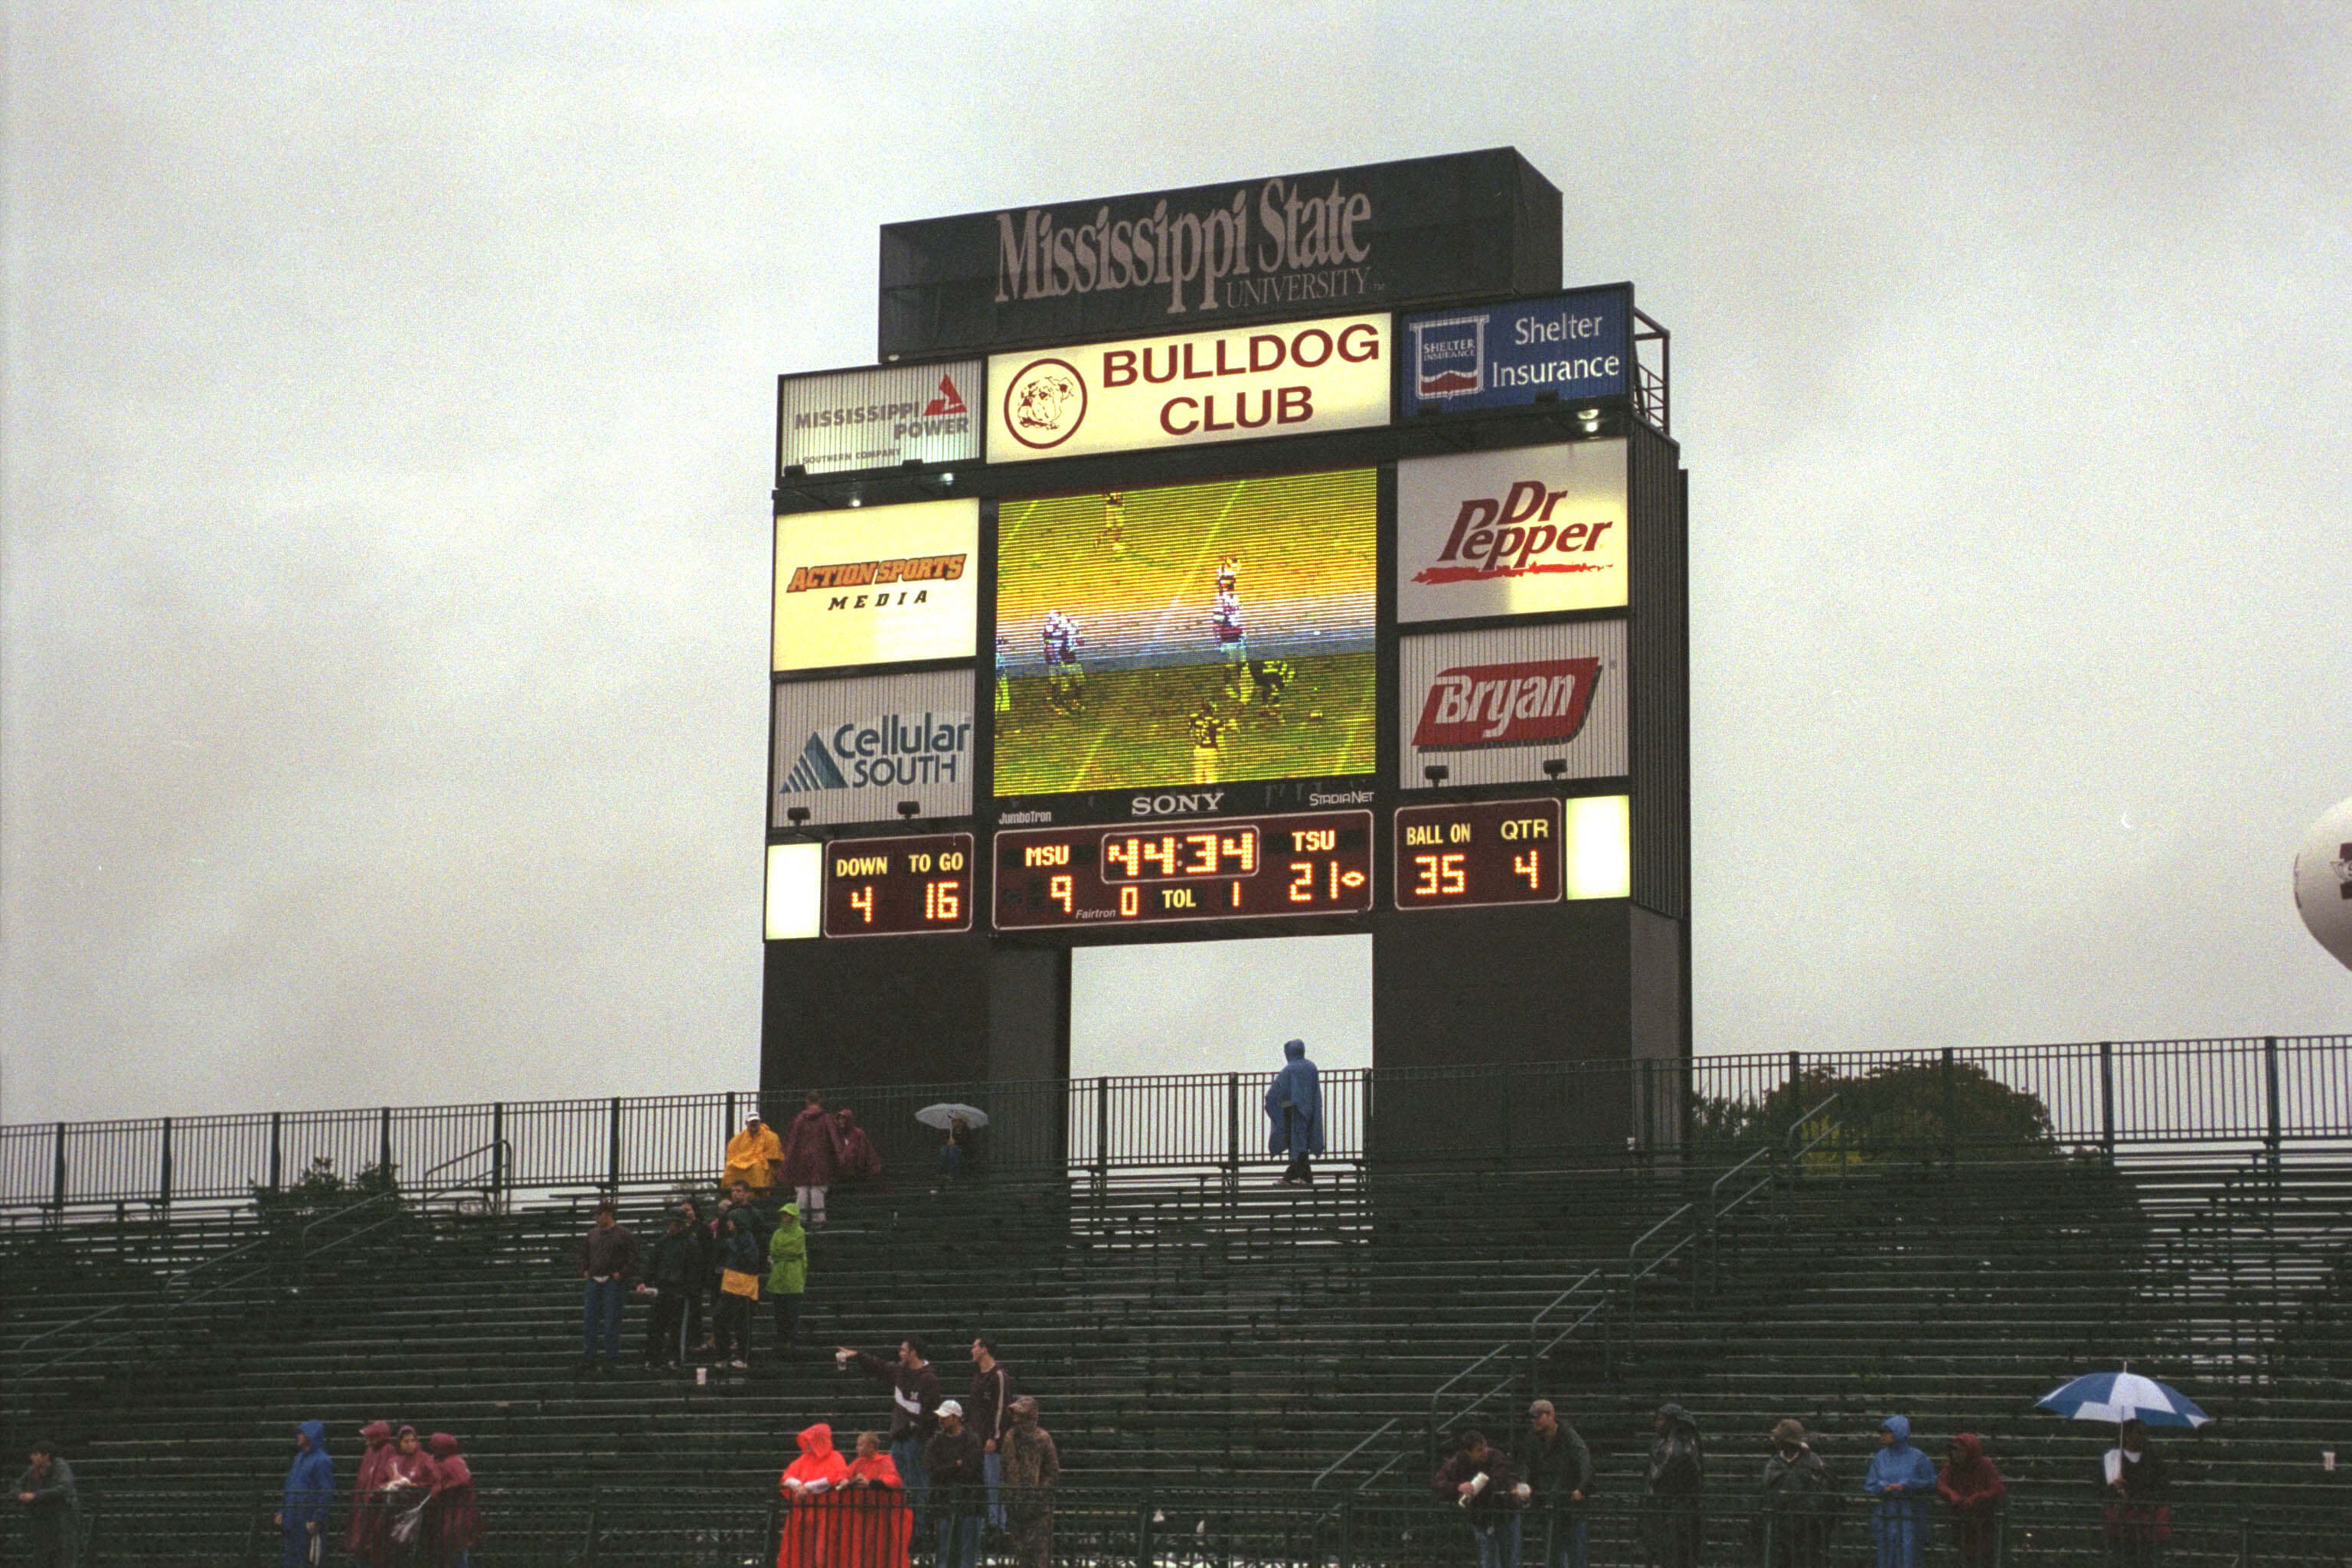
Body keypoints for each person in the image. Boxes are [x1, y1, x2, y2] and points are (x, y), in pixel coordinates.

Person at [841, 1338, 945, 1531]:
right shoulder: (900, 1372)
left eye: (904, 1350)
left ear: (913, 1352)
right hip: (899, 1439)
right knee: (897, 1483)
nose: (900, 1354)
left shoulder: (929, 1380)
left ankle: (917, 1528)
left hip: (916, 1441)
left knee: (916, 1484)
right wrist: (858, 1355)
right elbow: (879, 1366)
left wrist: (920, 1432)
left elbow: (933, 1413)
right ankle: (901, 1525)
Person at [1514, 1400, 1593, 1568]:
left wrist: (1582, 1488)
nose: (1534, 1421)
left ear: (1551, 1415)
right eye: (1532, 1418)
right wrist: (1524, 1484)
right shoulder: (1533, 1438)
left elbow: (1583, 1460)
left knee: (1575, 1556)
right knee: (1552, 1556)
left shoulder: (1569, 1436)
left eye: (1537, 1417)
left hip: (1569, 1506)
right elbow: (1526, 1464)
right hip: (1548, 1505)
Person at [1432, 1429, 1525, 1568]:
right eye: (1479, 1450)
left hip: (1505, 1513)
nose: (1484, 1452)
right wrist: (1458, 1486)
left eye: (1485, 1447)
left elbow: (1498, 1481)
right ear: (1468, 1452)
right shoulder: (1457, 1463)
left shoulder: (1497, 1457)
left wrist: (1475, 1488)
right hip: (1482, 1517)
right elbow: (1438, 1482)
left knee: (1509, 1560)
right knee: (1490, 1560)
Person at [1863, 1416, 1938, 1568]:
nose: (1883, 1435)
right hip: (1886, 1513)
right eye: (1881, 1432)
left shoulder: (1918, 1457)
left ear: (1899, 1432)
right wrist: (1884, 1487)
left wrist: (1909, 1485)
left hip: (1910, 1512)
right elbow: (1870, 1483)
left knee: (1908, 1554)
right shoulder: (1880, 1458)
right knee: (1885, 1554)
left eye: (1887, 1432)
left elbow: (1931, 1482)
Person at [1759, 1419, 1834, 1568]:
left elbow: (1824, 1498)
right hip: (1779, 1531)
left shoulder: (1814, 1463)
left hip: (1807, 1533)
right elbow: (1766, 1493)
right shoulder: (1774, 1463)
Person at [576, 1200, 638, 1374]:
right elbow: (582, 1255)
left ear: (608, 1214)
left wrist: (622, 1274)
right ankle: (590, 1357)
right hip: (594, 1280)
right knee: (590, 1321)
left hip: (612, 1281)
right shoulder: (591, 1234)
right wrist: (584, 1270)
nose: (596, 1217)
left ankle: (610, 1358)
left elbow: (633, 1259)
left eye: (598, 1214)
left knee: (611, 1322)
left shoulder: (624, 1234)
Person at [2099, 1419, 2171, 1568]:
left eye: (2145, 1434)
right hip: (2122, 1522)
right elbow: (2102, 1485)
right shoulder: (2113, 1457)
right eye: (2139, 1433)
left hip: (2147, 1521)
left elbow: (2161, 1485)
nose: (2143, 1437)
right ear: (2127, 1434)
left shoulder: (2153, 1459)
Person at [778, 1423, 851, 1568]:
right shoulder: (804, 1459)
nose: (807, 1444)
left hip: (826, 1514)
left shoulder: (835, 1458)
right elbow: (787, 1477)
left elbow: (834, 1478)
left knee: (823, 1553)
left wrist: (808, 1487)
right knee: (801, 1552)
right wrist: (798, 1486)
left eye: (810, 1440)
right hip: (803, 1513)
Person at [924, 1399, 987, 1568]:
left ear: (955, 1418)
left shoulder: (972, 1439)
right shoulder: (936, 1441)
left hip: (968, 1501)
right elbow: (931, 1470)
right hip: (944, 1500)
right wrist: (955, 1465)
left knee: (968, 1549)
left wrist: (946, 1468)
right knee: (943, 1546)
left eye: (944, 1417)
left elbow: (970, 1468)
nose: (940, 1420)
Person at [998, 1397, 1059, 1568]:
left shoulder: (1043, 1438)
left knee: (1040, 1554)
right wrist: (1008, 1494)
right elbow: (1004, 1468)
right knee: (1021, 1553)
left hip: (1039, 1508)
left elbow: (1052, 1471)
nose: (1017, 1419)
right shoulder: (1010, 1437)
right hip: (1016, 1504)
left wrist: (1039, 1494)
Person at [1642, 1403, 1704, 1568]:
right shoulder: (1660, 1444)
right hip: (1662, 1510)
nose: (1657, 1423)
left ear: (1672, 1422)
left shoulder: (1684, 1446)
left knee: (1677, 1556)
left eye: (1661, 1419)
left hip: (1677, 1511)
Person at [966, 1336, 1018, 1532]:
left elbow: (1002, 1408)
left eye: (974, 1346)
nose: (972, 1351)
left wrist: (995, 1437)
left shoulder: (999, 1376)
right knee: (981, 1484)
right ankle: (984, 1525)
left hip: (991, 1443)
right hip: (976, 1440)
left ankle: (997, 1526)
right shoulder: (978, 1377)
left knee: (994, 1484)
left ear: (984, 1349)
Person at [844, 1431, 912, 1568]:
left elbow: (893, 1480)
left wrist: (870, 1483)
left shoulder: (885, 1461)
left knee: (882, 1550)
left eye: (861, 1445)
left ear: (872, 1446)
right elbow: (844, 1474)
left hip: (882, 1516)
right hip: (865, 1516)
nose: (857, 1448)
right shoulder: (858, 1462)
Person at [714, 1191, 766, 1369]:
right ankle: (725, 1354)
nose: (727, 1224)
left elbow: (750, 1262)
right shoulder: (733, 1239)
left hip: (742, 1287)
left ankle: (743, 1357)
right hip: (730, 1284)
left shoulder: (746, 1240)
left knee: (742, 1323)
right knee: (720, 1318)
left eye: (730, 1221)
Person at [1938, 1433, 2004, 1568]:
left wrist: (1977, 1498)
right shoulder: (1951, 1466)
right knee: (1963, 1557)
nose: (1954, 1453)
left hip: (1984, 1521)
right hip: (1960, 1520)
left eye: (1959, 1450)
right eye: (1953, 1449)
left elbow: (1997, 1488)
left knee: (1983, 1558)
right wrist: (1952, 1495)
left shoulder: (1985, 1465)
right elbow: (1941, 1484)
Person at [1264, 1037, 1325, 1185]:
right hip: (1310, 1110)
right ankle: (1304, 1176)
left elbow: (1273, 1094)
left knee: (1297, 1144)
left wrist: (1282, 1105)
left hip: (1294, 1112)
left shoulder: (1290, 1069)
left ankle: (1293, 1176)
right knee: (1302, 1143)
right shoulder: (1312, 1067)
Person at [12, 1441, 80, 1568]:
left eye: (35, 1454)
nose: (32, 1457)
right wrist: (20, 1495)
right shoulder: (32, 1470)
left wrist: (35, 1496)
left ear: (46, 1455)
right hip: (43, 1521)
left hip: (62, 1519)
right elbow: (17, 1485)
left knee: (62, 1555)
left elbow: (64, 1488)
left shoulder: (61, 1467)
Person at [782, 1091, 844, 1227]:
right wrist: (840, 1159)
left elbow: (791, 1143)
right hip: (821, 1162)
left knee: (802, 1192)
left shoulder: (799, 1119)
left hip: (801, 1162)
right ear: (820, 1101)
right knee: (818, 1191)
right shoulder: (827, 1119)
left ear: (807, 1102)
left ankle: (799, 1222)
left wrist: (787, 1162)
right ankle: (818, 1222)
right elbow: (835, 1141)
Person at [277, 1420, 335, 1568]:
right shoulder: (299, 1458)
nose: (297, 1436)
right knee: (291, 1560)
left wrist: (318, 1517)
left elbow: (326, 1491)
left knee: (307, 1561)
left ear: (310, 1435)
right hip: (293, 1518)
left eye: (301, 1433)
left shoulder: (322, 1461)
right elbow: (290, 1486)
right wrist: (283, 1510)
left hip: (306, 1519)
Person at [379, 1427, 439, 1566]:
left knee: (418, 1551)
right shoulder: (393, 1461)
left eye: (413, 1440)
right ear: (399, 1443)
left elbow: (434, 1482)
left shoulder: (425, 1459)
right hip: (396, 1512)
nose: (410, 1444)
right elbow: (381, 1483)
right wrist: (391, 1484)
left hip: (420, 1513)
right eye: (406, 1441)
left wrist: (413, 1485)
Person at [343, 1421, 397, 1566]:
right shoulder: (370, 1452)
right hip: (365, 1506)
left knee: (374, 1544)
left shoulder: (388, 1450)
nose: (367, 1441)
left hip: (377, 1507)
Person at [425, 1435, 481, 1568]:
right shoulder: (457, 1461)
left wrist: (438, 1490)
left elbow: (456, 1483)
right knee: (459, 1550)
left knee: (457, 1552)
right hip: (460, 1514)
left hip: (456, 1515)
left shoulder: (449, 1463)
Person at [769, 1200, 809, 1354]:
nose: (785, 1217)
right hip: (779, 1276)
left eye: (788, 1214)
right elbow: (773, 1250)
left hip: (793, 1276)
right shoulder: (777, 1233)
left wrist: (781, 1254)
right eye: (783, 1214)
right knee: (779, 1311)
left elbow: (796, 1251)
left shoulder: (800, 1232)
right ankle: (781, 1338)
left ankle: (791, 1339)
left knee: (792, 1311)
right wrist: (782, 1254)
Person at [724, 1111, 786, 1194]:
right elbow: (731, 1155)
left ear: (760, 1122)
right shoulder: (737, 1139)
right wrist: (745, 1160)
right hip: (743, 1163)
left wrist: (756, 1160)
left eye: (756, 1122)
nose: (754, 1124)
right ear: (746, 1123)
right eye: (751, 1122)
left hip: (763, 1166)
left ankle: (759, 1194)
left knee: (757, 1167)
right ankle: (729, 1193)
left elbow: (774, 1156)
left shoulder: (771, 1136)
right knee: (731, 1166)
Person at [836, 1109, 883, 1182]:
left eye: (844, 1118)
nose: (841, 1121)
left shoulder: (858, 1134)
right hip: (841, 1173)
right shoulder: (837, 1134)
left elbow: (864, 1151)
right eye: (839, 1119)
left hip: (857, 1173)